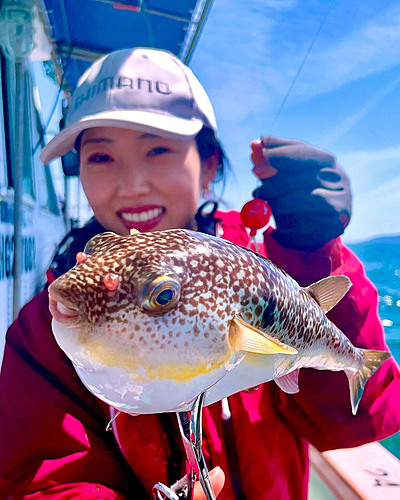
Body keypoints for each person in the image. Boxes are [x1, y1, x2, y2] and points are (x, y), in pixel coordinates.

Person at [0, 47, 399, 500]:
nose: (132, 186)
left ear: (209, 164)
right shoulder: (45, 329)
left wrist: (309, 253)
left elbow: (362, 421)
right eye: (100, 157)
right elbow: (44, 481)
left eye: (157, 149)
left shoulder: (268, 273)